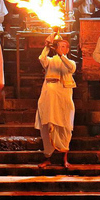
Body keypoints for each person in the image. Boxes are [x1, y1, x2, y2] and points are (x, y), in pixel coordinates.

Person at [35, 33, 76, 168]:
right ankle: (48, 158)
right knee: (48, 127)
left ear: (68, 50)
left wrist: (61, 55)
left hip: (63, 98)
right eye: (59, 46)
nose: (61, 48)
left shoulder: (70, 62)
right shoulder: (50, 61)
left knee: (65, 127)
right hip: (49, 97)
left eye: (64, 47)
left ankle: (64, 158)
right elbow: (41, 58)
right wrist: (47, 46)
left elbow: (70, 68)